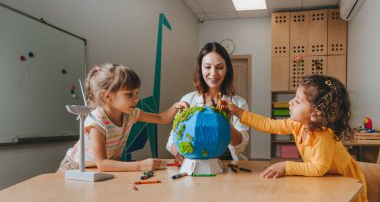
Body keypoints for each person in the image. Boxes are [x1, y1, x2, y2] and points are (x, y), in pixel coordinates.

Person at [223, 74, 368, 202]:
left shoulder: (323, 135)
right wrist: (239, 112)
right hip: (328, 176)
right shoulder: (297, 124)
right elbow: (268, 124)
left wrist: (286, 166)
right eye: (294, 97)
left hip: (345, 179)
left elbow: (318, 168)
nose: (290, 103)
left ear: (315, 114)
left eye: (297, 101)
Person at [58, 63, 188, 172]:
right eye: (129, 94)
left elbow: (161, 119)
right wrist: (141, 165)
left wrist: (176, 107)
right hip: (74, 168)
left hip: (96, 168)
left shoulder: (130, 113)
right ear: (107, 96)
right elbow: (102, 164)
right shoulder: (96, 121)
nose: (136, 99)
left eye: (137, 93)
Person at [166, 42, 250, 165]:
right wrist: (178, 153)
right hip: (193, 163)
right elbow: (172, 139)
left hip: (225, 164)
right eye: (207, 67)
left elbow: (240, 145)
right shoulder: (187, 100)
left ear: (227, 70)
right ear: (200, 68)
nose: (213, 73)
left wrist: (224, 121)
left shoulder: (239, 103)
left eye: (219, 67)